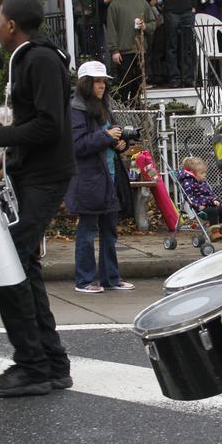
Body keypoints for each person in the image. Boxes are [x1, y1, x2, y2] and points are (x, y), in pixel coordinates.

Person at [0, 0, 76, 397]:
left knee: (9, 261)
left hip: (47, 177)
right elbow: (37, 128)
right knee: (22, 263)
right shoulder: (31, 59)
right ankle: (51, 364)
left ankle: (32, 365)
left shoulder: (41, 60)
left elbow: (51, 126)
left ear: (11, 25)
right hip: (34, 172)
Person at [65, 61, 136, 294]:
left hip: (110, 175)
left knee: (110, 230)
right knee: (87, 230)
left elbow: (111, 137)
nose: (102, 85)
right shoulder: (76, 109)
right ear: (86, 83)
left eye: (104, 81)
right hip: (88, 178)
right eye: (97, 81)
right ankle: (84, 280)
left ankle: (111, 278)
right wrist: (106, 137)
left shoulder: (104, 105)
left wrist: (120, 144)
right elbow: (76, 145)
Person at [106, 0, 157, 104]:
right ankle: (125, 112)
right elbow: (111, 28)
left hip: (140, 50)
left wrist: (145, 26)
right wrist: (114, 50)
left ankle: (138, 112)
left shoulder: (143, 3)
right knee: (124, 83)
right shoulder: (115, 5)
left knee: (139, 84)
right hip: (123, 51)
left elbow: (153, 23)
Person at [178, 156, 222, 241]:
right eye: (202, 173)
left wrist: (214, 200)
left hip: (209, 205)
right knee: (213, 211)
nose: (205, 175)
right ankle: (214, 233)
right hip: (200, 208)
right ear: (193, 174)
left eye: (205, 173)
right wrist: (198, 206)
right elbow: (190, 197)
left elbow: (210, 193)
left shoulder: (203, 183)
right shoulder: (188, 183)